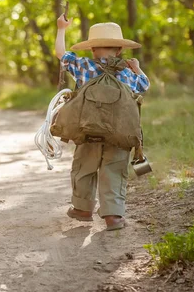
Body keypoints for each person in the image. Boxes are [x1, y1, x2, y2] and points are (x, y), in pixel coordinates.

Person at [54, 15, 149, 231]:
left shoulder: (83, 66)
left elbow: (61, 54)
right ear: (119, 51)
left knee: (83, 168)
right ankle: (113, 217)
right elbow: (144, 85)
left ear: (92, 49)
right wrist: (137, 68)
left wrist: (61, 29)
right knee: (114, 171)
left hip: (88, 130)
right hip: (119, 134)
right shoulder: (127, 73)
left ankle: (82, 209)